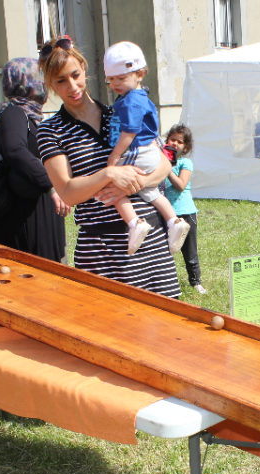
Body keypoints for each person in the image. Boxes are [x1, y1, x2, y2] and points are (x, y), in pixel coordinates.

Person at [37, 37, 181, 298]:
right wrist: (109, 174)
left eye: (75, 75)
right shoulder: (50, 130)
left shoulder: (121, 109)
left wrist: (137, 182)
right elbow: (68, 193)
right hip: (102, 251)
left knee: (167, 334)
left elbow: (164, 163)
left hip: (153, 242)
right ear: (50, 84)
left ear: (84, 69)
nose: (72, 86)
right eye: (61, 80)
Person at [103, 41, 189, 255]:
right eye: (111, 79)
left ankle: (134, 223)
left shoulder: (132, 101)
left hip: (135, 151)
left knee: (111, 184)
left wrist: (114, 156)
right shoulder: (139, 97)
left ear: (139, 74)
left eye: (121, 78)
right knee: (150, 191)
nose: (116, 84)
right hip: (148, 153)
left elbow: (129, 132)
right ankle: (173, 221)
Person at [0, 57, 69, 262]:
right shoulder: (14, 113)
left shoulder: (29, 117)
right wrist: (50, 185)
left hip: (37, 211)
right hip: (24, 218)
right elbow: (14, 150)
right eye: (41, 78)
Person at [163, 124, 206, 294]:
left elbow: (181, 185)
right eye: (172, 139)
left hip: (186, 212)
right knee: (166, 250)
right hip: (167, 214)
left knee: (190, 250)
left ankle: (196, 282)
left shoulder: (185, 162)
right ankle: (166, 280)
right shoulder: (160, 161)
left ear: (185, 147)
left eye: (179, 142)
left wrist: (167, 170)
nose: (175, 143)